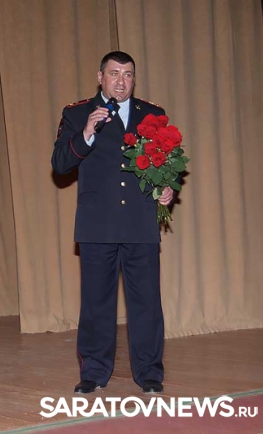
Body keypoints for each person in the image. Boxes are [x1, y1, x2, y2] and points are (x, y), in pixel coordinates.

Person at [51, 51, 175, 395]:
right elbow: (60, 164)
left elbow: (166, 163)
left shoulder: (152, 114)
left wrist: (168, 187)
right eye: (114, 73)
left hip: (139, 223)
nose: (121, 81)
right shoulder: (77, 114)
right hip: (97, 224)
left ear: (134, 79)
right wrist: (87, 132)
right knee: (96, 303)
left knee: (146, 303)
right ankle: (93, 372)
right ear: (100, 77)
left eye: (128, 74)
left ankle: (149, 372)